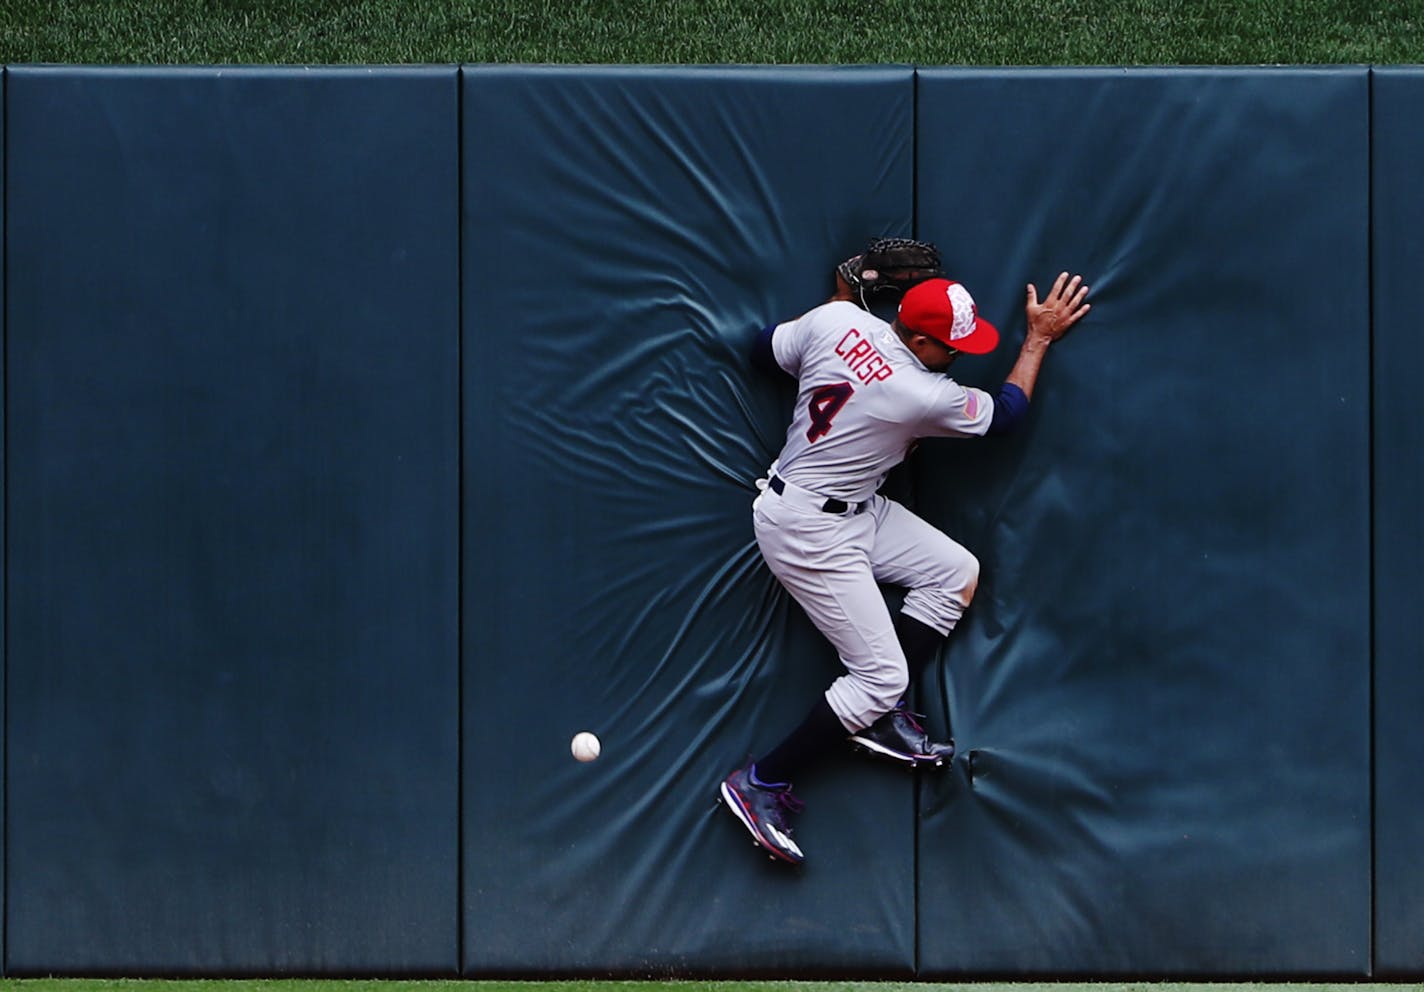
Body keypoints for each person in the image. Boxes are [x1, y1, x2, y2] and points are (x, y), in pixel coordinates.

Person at [718, 258, 1092, 865]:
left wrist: (839, 308)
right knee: (880, 676)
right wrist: (1038, 338)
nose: (962, 354)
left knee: (956, 574)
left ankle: (882, 719)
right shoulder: (922, 392)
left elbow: (764, 351)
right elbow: (1008, 415)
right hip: (806, 531)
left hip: (856, 507)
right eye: (953, 345)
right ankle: (760, 782)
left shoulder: (838, 318)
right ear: (917, 337)